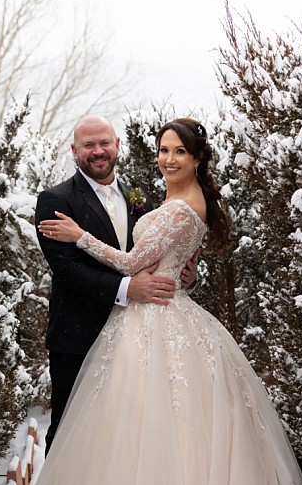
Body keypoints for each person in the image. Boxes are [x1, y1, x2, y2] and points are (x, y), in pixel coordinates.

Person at [16, 117, 302, 485]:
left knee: (164, 440)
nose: (168, 159)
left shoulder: (164, 201)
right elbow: (80, 270)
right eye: (163, 150)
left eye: (178, 152)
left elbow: (132, 260)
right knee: (93, 439)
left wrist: (85, 237)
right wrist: (175, 268)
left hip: (155, 327)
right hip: (93, 331)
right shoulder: (66, 198)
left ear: (196, 159)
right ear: (75, 150)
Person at [35, 115, 196, 454]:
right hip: (79, 336)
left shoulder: (138, 195)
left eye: (104, 143)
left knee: (125, 435)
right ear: (74, 150)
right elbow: (67, 269)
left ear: (118, 145)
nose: (98, 151)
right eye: (89, 145)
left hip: (137, 337)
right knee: (69, 433)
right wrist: (127, 289)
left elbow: (160, 251)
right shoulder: (55, 200)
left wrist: (185, 276)